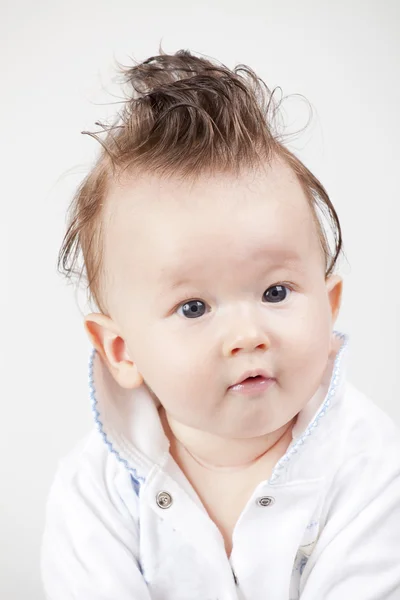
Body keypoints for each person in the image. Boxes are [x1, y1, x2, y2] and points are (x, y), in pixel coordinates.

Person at [41, 49, 400, 599]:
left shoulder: (373, 466)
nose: (247, 335)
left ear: (329, 306)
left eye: (275, 292)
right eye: (194, 308)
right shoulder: (95, 490)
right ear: (122, 350)